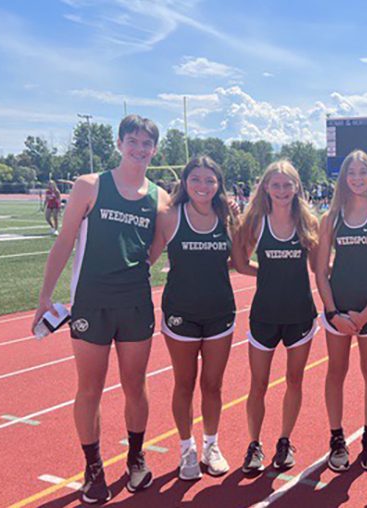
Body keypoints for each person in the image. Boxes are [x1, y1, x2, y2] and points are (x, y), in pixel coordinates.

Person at [31, 115, 170, 504]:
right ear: (119, 143)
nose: (139, 149)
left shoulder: (160, 197)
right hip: (92, 303)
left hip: (135, 304)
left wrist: (135, 269)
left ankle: (136, 457)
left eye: (146, 143)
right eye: (132, 141)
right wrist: (44, 297)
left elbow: (155, 248)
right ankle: (93, 468)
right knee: (89, 388)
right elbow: (65, 241)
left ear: (154, 150)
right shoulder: (89, 185)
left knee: (135, 385)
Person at [148, 155, 237, 481]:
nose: (203, 186)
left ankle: (211, 446)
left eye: (210, 180)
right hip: (181, 314)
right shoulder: (169, 216)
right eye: (196, 179)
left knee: (213, 385)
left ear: (218, 184)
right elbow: (147, 260)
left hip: (219, 312)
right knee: (184, 383)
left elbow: (236, 260)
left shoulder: (227, 216)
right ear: (185, 182)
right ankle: (186, 448)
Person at [232, 160, 320, 475]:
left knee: (294, 380)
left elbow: (318, 268)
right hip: (265, 316)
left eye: (287, 185)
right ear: (266, 187)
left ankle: (284, 441)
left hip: (300, 315)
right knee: (258, 384)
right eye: (276, 185)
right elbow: (241, 264)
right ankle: (254, 444)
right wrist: (270, 274)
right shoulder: (255, 222)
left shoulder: (308, 222)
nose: (282, 191)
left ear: (296, 187)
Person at [316, 150, 367, 472]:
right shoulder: (331, 217)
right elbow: (320, 271)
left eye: (363, 173)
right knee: (335, 372)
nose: (357, 179)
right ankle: (336, 438)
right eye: (351, 173)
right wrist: (333, 312)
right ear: (343, 178)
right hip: (337, 310)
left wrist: (365, 314)